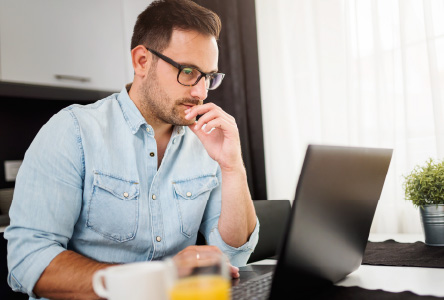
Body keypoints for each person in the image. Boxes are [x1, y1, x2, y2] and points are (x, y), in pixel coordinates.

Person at [5, 0, 259, 299]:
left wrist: (232, 167)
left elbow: (234, 256)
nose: (200, 92)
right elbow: (27, 262)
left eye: (208, 77)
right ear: (141, 61)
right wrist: (157, 279)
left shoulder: (207, 142)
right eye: (189, 71)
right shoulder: (72, 131)